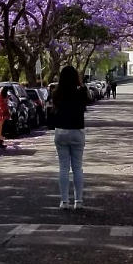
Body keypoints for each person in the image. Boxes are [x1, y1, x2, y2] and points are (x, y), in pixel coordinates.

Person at [52, 63, 89, 209]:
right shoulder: (81, 92)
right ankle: (78, 201)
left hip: (61, 131)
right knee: (77, 168)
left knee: (63, 167)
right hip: (77, 131)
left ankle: (64, 201)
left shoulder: (56, 93)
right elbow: (85, 103)